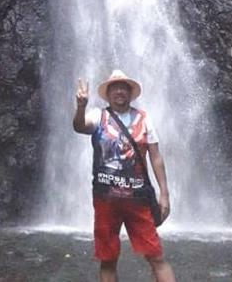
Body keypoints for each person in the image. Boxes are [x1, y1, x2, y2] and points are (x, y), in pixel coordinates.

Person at [73, 69, 177, 282]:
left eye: (124, 88)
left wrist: (164, 193)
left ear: (130, 93)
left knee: (156, 256)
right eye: (115, 88)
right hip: (105, 200)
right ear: (108, 93)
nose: (120, 91)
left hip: (138, 200)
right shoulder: (98, 115)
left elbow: (156, 157)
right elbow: (80, 126)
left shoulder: (144, 119)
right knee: (108, 259)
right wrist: (81, 106)